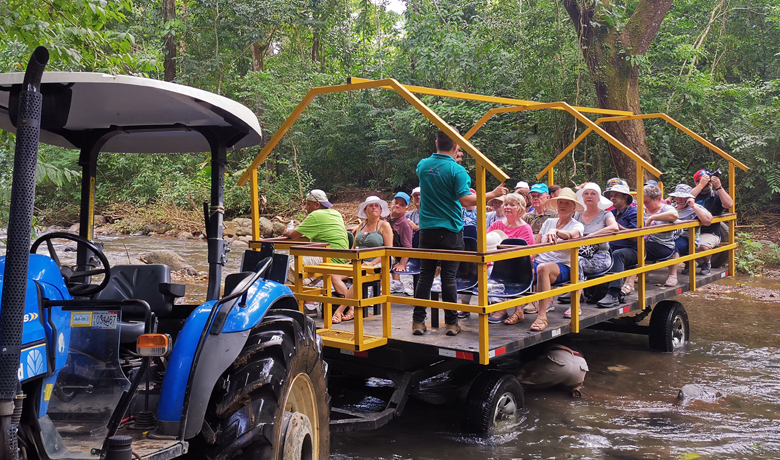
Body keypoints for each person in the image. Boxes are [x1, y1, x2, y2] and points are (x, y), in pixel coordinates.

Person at [412, 129, 507, 337]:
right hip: (450, 230)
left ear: (436, 143)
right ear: (457, 147)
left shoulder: (423, 165)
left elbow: (434, 171)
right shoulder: (457, 171)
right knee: (448, 278)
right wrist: (493, 193)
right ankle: (451, 324)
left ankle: (418, 322)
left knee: (425, 276)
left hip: (427, 229)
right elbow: (466, 200)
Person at [528, 188, 584, 332]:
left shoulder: (577, 225)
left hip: (564, 266)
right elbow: (536, 246)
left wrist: (557, 232)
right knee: (516, 263)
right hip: (541, 261)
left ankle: (541, 315)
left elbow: (571, 235)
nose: (562, 206)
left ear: (573, 208)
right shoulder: (549, 222)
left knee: (543, 268)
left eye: (567, 203)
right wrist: (528, 257)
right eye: (560, 202)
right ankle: (515, 310)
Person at [331, 196, 393, 323]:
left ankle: (340, 310)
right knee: (334, 275)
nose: (374, 208)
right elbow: (354, 246)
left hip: (377, 263)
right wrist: (350, 259)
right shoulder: (361, 225)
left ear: (381, 210)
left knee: (358, 275)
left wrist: (372, 262)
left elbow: (388, 250)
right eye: (370, 205)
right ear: (365, 210)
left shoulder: (384, 225)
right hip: (357, 261)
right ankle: (352, 308)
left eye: (377, 206)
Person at [564, 183, 618, 317]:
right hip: (579, 252)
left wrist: (591, 237)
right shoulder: (577, 215)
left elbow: (614, 228)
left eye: (593, 193)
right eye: (586, 193)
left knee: (576, 261)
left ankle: (575, 304)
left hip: (599, 256)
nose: (589, 196)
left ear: (598, 197)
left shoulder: (606, 214)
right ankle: (547, 302)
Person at [485, 193, 535, 325]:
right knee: (485, 269)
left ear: (520, 208)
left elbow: (529, 254)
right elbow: (486, 242)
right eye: (506, 204)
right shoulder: (496, 225)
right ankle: (497, 305)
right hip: (495, 261)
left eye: (512, 205)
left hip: (517, 265)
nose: (507, 207)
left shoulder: (525, 228)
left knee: (493, 272)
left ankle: (501, 309)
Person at [283, 189, 349, 285]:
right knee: (302, 274)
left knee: (289, 268)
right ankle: (307, 299)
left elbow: (294, 235)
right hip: (343, 257)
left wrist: (287, 231)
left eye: (308, 204)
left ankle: (295, 297)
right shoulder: (336, 213)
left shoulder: (316, 215)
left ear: (317, 205)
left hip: (331, 257)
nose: (306, 207)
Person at [595, 178, 638, 308]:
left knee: (618, 254)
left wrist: (618, 227)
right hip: (610, 248)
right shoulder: (610, 213)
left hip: (632, 250)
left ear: (625, 197)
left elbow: (636, 237)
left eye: (616, 196)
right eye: (611, 196)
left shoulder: (634, 212)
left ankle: (614, 294)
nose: (613, 198)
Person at [688, 169, 734, 275]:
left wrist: (719, 186)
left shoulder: (716, 195)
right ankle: (688, 263)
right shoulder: (692, 193)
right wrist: (700, 185)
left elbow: (729, 204)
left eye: (709, 181)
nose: (707, 183)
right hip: (690, 232)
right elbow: (684, 200)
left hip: (709, 232)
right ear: (696, 182)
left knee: (703, 246)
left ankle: (706, 263)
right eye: (703, 180)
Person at [668, 183, 713, 273]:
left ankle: (673, 274)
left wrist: (693, 205)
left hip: (689, 238)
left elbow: (708, 221)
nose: (679, 200)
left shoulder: (695, 208)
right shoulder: (671, 207)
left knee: (672, 246)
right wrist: (665, 204)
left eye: (683, 198)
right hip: (671, 236)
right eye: (677, 197)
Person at [516, 343, 588, 397]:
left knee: (521, 379)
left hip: (559, 360)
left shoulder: (540, 343)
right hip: (581, 364)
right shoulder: (568, 341)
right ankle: (575, 389)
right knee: (568, 382)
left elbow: (528, 359)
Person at [643, 184, 680, 286]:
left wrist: (653, 218)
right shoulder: (642, 208)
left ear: (657, 198)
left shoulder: (666, 208)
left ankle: (673, 275)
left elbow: (674, 215)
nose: (645, 204)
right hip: (645, 241)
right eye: (643, 202)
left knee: (639, 249)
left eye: (647, 201)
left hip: (662, 244)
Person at [387, 192, 414, 294]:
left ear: (406, 209)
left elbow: (407, 246)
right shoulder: (385, 218)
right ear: (391, 203)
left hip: (399, 253)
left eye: (402, 205)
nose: (397, 206)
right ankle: (396, 282)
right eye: (396, 202)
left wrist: (402, 264)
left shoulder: (404, 224)